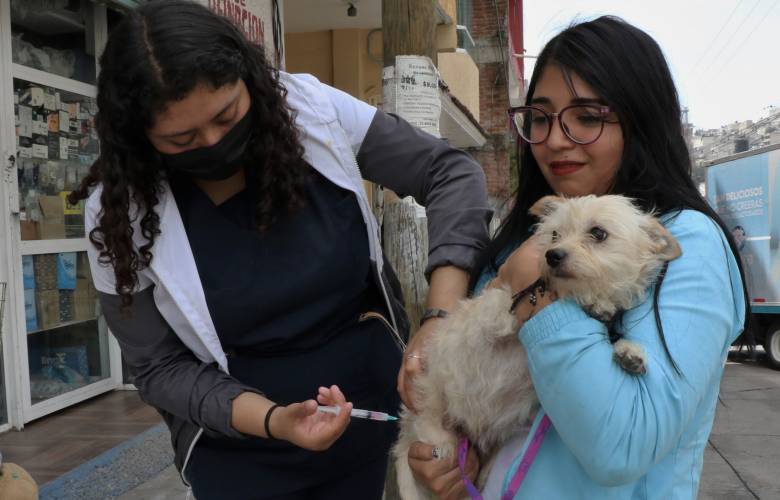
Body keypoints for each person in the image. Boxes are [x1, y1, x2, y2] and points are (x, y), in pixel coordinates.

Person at [68, 1, 492, 498]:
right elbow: (159, 368)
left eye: (227, 116)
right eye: (182, 139)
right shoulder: (120, 215)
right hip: (240, 448)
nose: (213, 143)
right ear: (139, 139)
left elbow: (451, 174)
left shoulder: (309, 110)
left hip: (380, 426)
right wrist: (274, 420)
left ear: (251, 81)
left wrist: (439, 318)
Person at [407, 16, 749, 499]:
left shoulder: (686, 242)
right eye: (541, 117)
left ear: (641, 120)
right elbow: (504, 413)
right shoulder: (524, 241)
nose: (555, 139)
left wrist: (535, 293)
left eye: (588, 117)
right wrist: (454, 463)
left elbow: (622, 445)